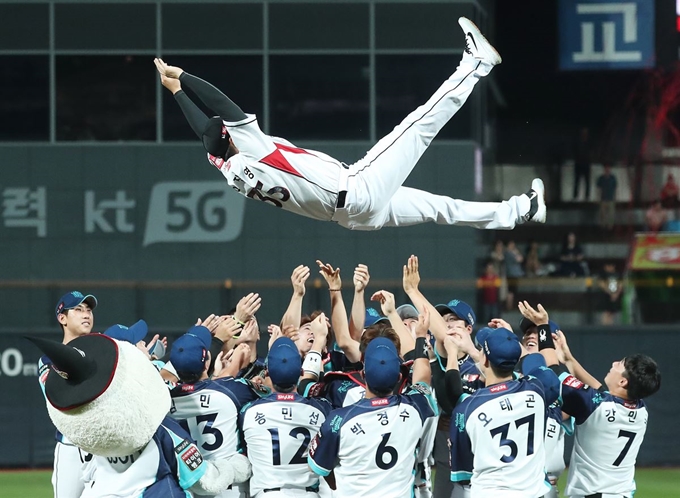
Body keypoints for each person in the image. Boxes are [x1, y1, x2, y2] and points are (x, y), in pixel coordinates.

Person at [154, 18, 546, 231]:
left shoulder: (227, 168)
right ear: (231, 138)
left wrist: (176, 94)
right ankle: (475, 64)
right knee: (419, 124)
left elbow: (204, 129)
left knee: (441, 208)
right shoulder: (250, 148)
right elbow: (223, 107)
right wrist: (184, 77)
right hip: (357, 188)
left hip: (353, 216)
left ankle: (520, 212)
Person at [308, 334, 438, 497]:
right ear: (399, 377)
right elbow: (423, 376)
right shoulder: (416, 407)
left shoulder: (338, 420)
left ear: (362, 375)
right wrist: (420, 336)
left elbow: (319, 467)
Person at [449, 327, 559, 497]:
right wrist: (517, 339)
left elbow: (463, 472)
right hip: (533, 493)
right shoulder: (536, 389)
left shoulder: (467, 408)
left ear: (484, 360)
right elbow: (536, 363)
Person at [553, 331, 661, 498]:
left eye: (620, 364)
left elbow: (552, 375)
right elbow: (601, 394)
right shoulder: (641, 410)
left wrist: (542, 330)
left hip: (594, 494)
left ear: (623, 382)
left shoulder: (596, 406)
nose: (614, 363)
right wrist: (569, 359)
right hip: (621, 494)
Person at [167, 325, 268, 498]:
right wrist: (235, 366)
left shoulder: (164, 401)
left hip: (189, 488)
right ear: (206, 362)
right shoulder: (232, 390)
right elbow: (271, 390)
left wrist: (224, 374)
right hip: (230, 486)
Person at [240, 336, 332, 498]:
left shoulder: (248, 411)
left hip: (267, 494)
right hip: (308, 494)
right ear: (301, 371)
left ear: (267, 372)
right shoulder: (321, 409)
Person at [37, 291, 98, 498]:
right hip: (71, 446)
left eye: (89, 310)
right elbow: (58, 396)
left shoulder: (103, 353)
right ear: (62, 318)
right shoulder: (48, 359)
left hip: (102, 447)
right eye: (78, 310)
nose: (86, 314)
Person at [504, 240, 524, 310]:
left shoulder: (509, 253)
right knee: (511, 291)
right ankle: (509, 307)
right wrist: (516, 252)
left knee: (513, 291)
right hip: (511, 275)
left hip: (513, 274)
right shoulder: (508, 253)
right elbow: (520, 259)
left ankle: (510, 306)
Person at [573, 126, 592, 201]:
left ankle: (587, 196)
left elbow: (590, 152)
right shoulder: (578, 142)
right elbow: (575, 151)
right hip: (579, 163)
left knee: (586, 181)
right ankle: (575, 196)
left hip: (586, 163)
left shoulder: (588, 142)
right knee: (577, 180)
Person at [596, 165, 617, 229]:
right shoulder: (601, 178)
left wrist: (615, 198)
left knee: (611, 214)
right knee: (603, 214)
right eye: (606, 169)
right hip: (603, 198)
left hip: (611, 199)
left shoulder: (613, 178)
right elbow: (598, 189)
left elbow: (615, 189)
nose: (607, 170)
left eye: (608, 169)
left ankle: (610, 227)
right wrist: (598, 198)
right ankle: (603, 227)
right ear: (604, 170)